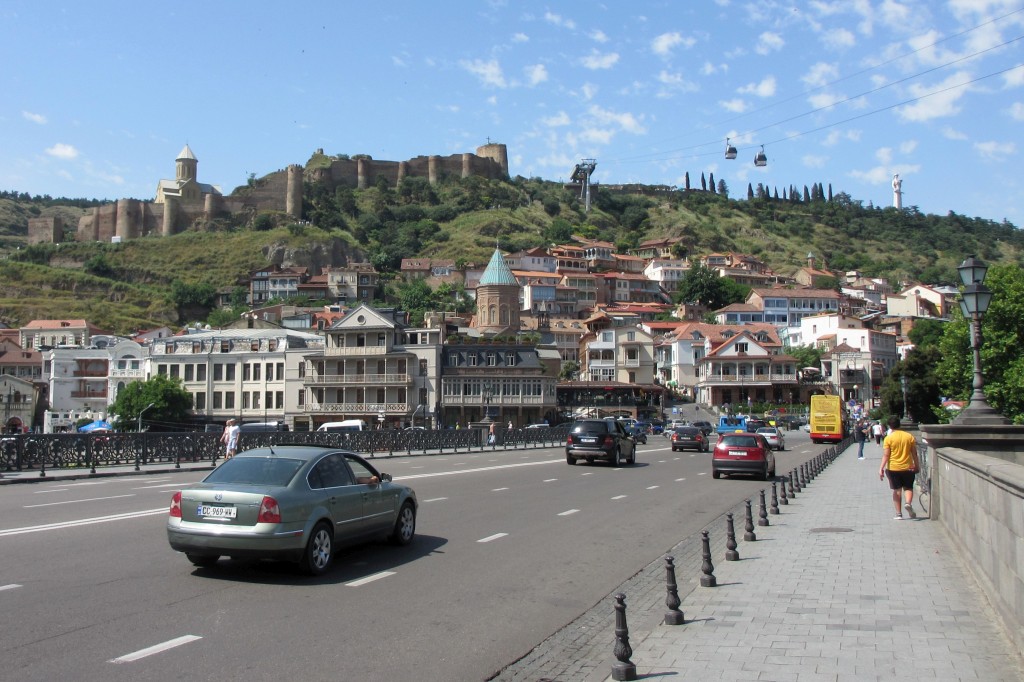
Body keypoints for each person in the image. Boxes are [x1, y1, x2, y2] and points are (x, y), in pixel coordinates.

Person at [879, 416, 920, 520]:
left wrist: (881, 468)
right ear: (899, 424)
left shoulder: (889, 438)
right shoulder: (909, 436)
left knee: (897, 490)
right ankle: (908, 503)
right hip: (908, 467)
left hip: (893, 468)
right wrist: (917, 465)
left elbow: (886, 455)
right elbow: (914, 453)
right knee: (908, 487)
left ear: (889, 426)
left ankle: (899, 514)